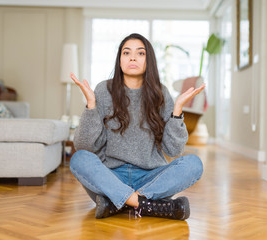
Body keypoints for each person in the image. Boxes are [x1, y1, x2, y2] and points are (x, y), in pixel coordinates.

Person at [69, 33, 205, 221]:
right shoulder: (103, 90)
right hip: (110, 178)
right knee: (79, 159)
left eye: (140, 53)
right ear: (120, 60)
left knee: (194, 164)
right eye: (126, 53)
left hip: (151, 178)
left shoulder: (161, 94)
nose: (132, 57)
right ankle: (148, 205)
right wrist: (91, 106)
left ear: (149, 60)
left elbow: (173, 150)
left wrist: (177, 112)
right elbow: (85, 146)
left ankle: (117, 204)